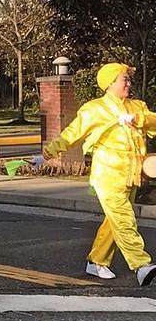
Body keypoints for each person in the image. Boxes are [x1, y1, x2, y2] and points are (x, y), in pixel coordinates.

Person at [36, 63, 156, 286]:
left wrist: (138, 119)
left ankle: (97, 260)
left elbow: (154, 122)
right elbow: (72, 133)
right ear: (110, 83)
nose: (128, 83)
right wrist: (47, 153)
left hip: (132, 175)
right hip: (108, 176)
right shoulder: (95, 109)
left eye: (128, 79)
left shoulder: (137, 106)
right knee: (124, 219)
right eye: (124, 79)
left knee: (115, 221)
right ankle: (140, 264)